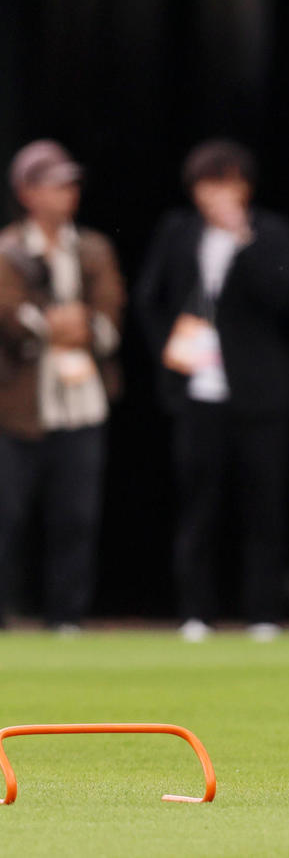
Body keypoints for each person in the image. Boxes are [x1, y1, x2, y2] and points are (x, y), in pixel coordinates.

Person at [136, 140, 289, 643]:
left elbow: (283, 298)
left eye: (228, 183)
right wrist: (171, 356)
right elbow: (150, 299)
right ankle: (195, 614)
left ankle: (263, 615)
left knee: (264, 505)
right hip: (197, 392)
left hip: (261, 394)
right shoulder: (177, 232)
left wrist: (242, 240)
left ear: (245, 186)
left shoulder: (272, 233)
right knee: (198, 505)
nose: (218, 195)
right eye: (208, 185)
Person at [0, 141, 124, 632]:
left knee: (75, 517)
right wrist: (54, 325)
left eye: (71, 184)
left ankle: (66, 618)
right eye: (54, 183)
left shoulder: (93, 248)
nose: (66, 193)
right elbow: (8, 314)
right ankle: (6, 614)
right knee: (8, 517)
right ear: (27, 191)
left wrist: (81, 326)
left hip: (81, 402)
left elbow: (110, 314)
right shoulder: (8, 249)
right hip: (17, 407)